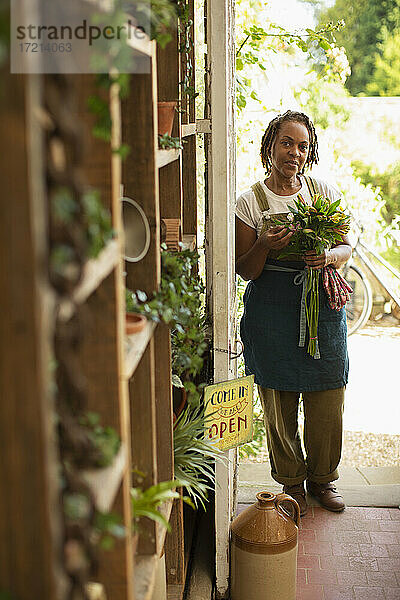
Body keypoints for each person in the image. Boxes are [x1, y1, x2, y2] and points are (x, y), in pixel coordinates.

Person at [235, 110, 352, 517]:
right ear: (270, 146)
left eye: (302, 146)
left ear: (310, 151)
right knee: (279, 400)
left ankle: (324, 479)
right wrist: (265, 244)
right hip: (271, 315)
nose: (295, 153)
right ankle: (291, 484)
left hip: (321, 311)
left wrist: (328, 255)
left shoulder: (320, 191)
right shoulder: (250, 201)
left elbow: (345, 246)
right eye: (286, 143)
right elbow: (244, 269)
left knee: (327, 397)